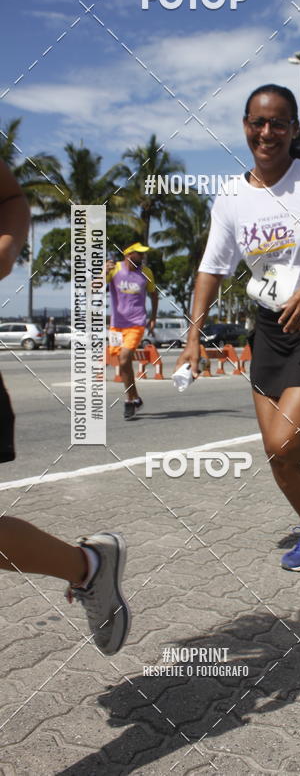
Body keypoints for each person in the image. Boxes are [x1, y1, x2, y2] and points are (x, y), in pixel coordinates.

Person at [177, 84, 300, 571]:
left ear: (294, 129)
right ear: (245, 126)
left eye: (278, 123)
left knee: (283, 440)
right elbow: (212, 269)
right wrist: (193, 338)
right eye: (257, 122)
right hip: (269, 326)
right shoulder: (231, 196)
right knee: (277, 452)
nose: (266, 132)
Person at [0, 159, 130, 655]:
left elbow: (11, 197)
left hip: (119, 339)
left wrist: (6, 248)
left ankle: (88, 566)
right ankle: (90, 565)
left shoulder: (128, 274)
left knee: (123, 366)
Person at [106, 243, 158, 420]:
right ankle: (135, 398)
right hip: (116, 325)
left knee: (124, 357)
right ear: (128, 255)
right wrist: (103, 272)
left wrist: (153, 317)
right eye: (139, 254)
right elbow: (93, 288)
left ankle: (129, 401)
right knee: (122, 363)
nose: (142, 257)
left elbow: (154, 294)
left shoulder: (146, 273)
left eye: (143, 255)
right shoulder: (114, 269)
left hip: (136, 323)